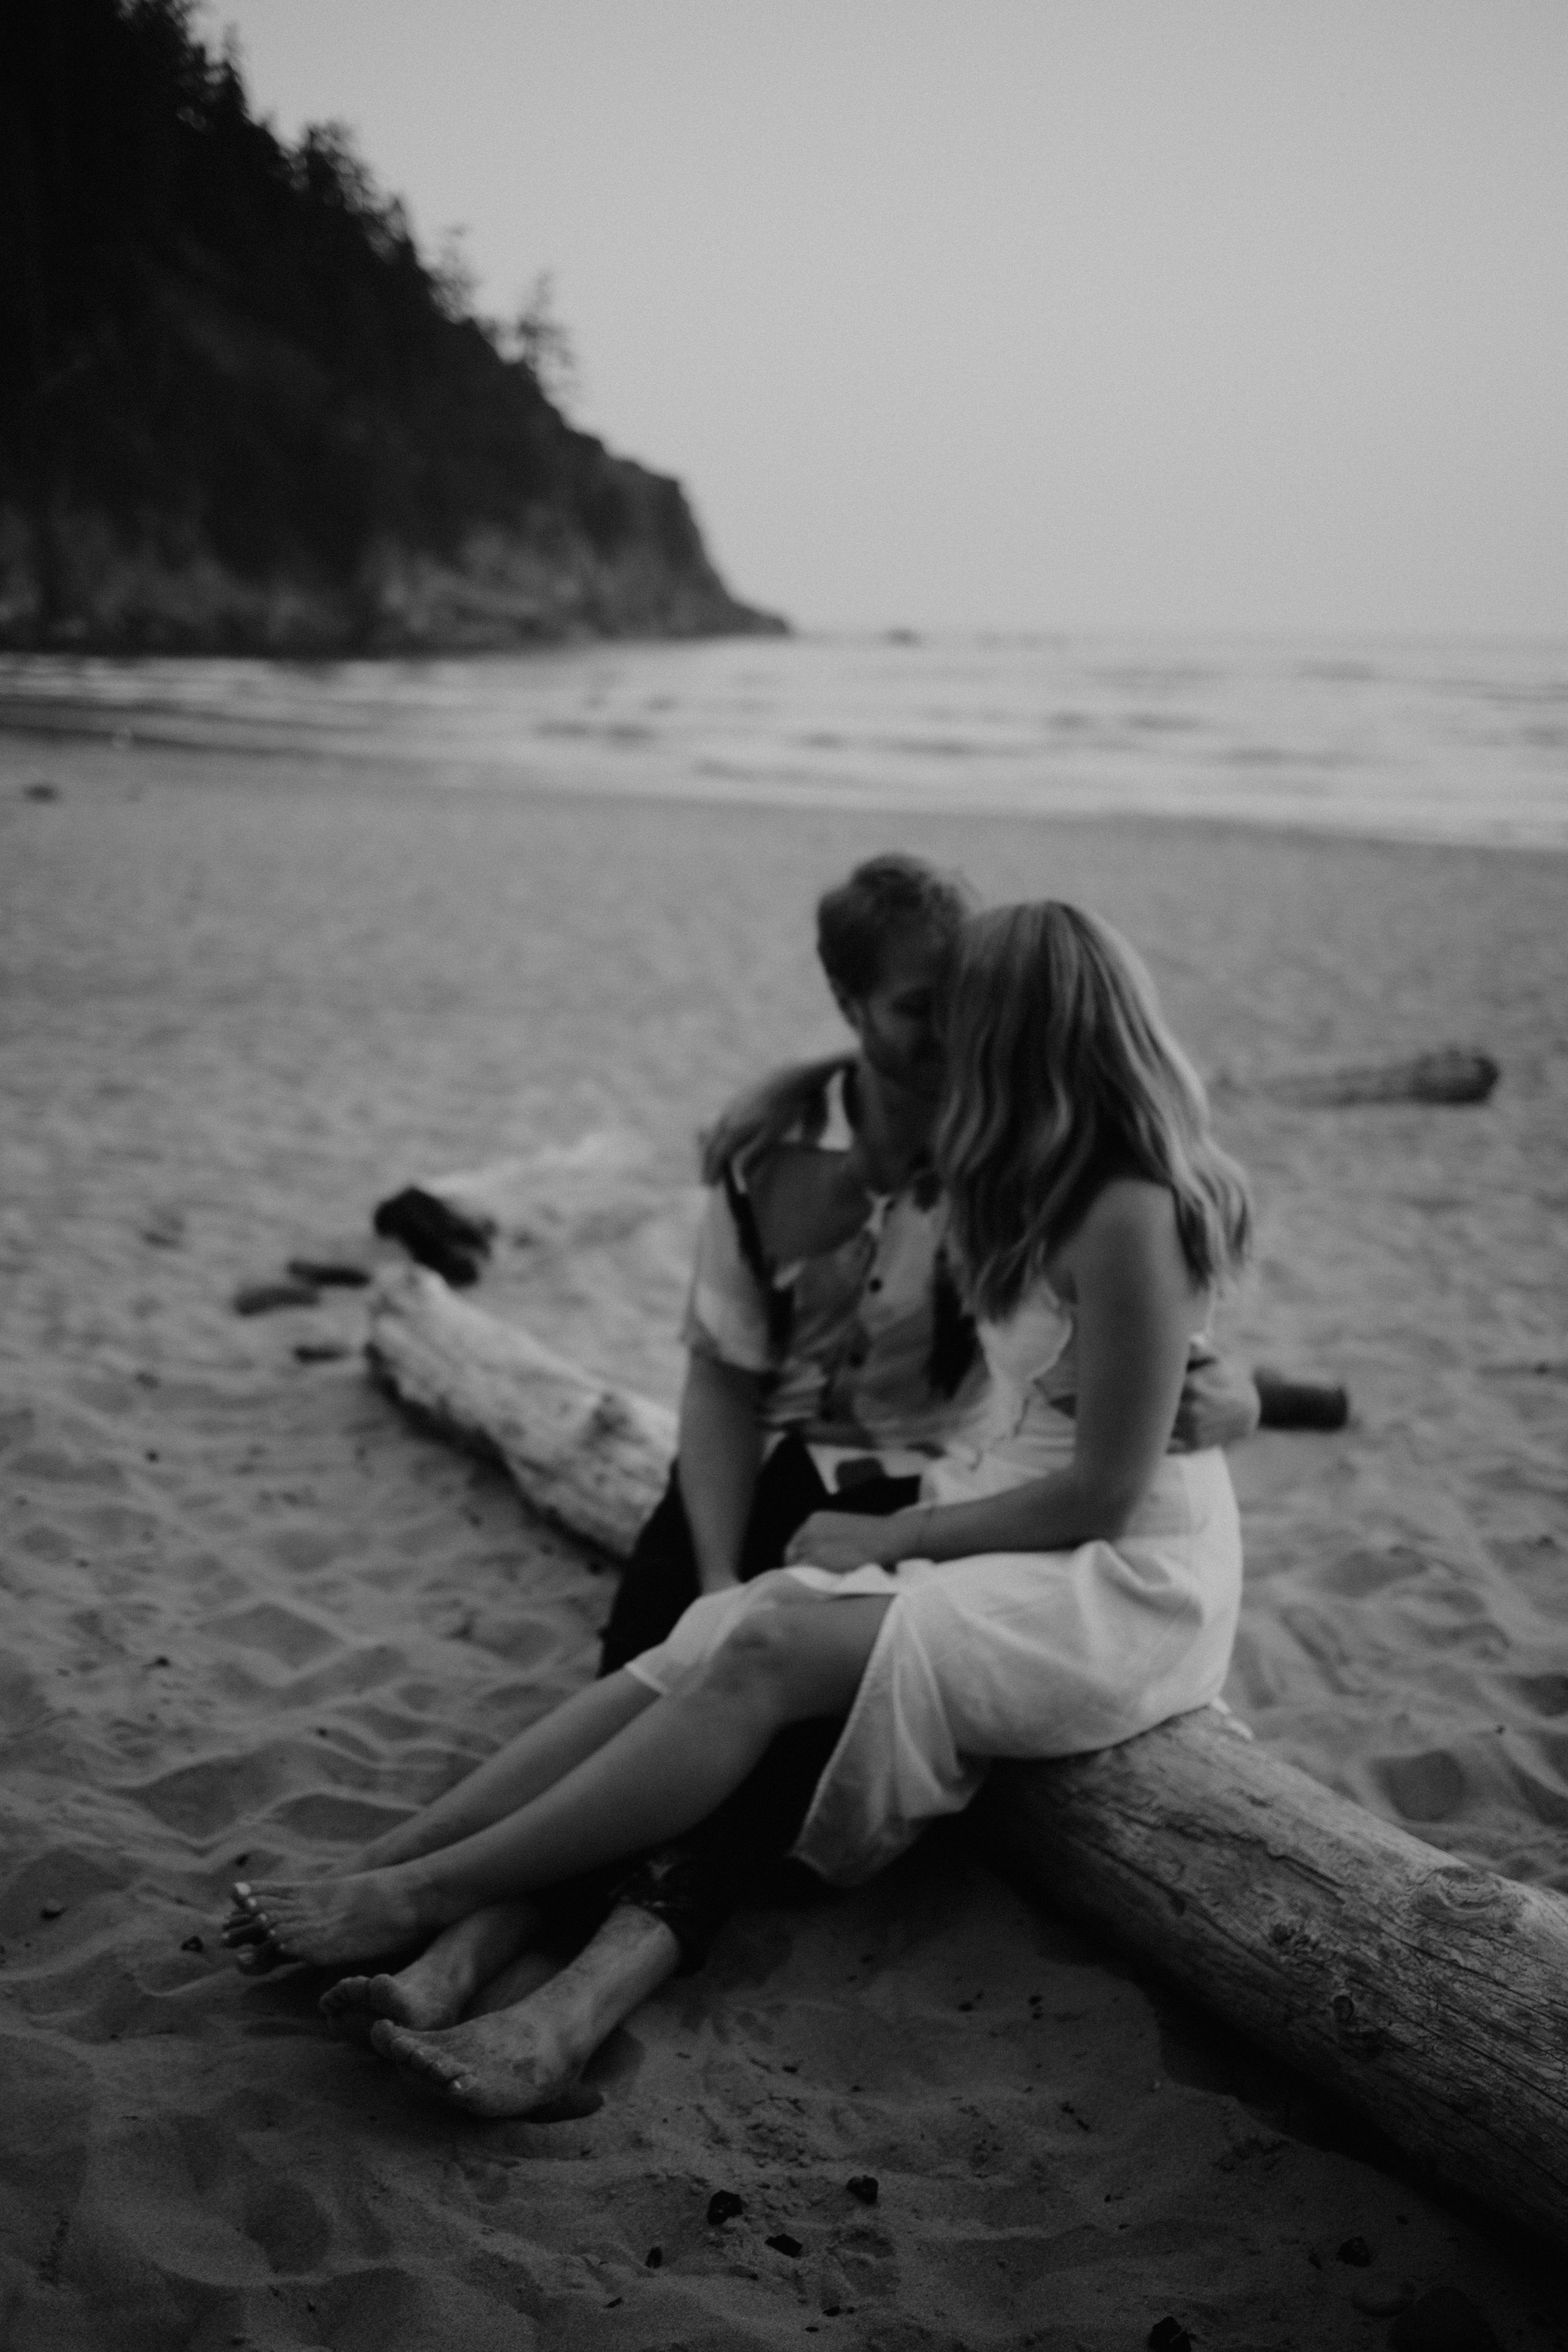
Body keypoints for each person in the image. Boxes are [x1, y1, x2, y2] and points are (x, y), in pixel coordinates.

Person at [224, 898, 1252, 2119]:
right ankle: (392, 1874)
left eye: (962, 1024)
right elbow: (738, 1365)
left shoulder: (1125, 1203)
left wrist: (900, 1532)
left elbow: (1108, 1480)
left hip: (1113, 1579)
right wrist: (733, 1554)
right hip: (989, 1517)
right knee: (707, 1635)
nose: (941, 1053)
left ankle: (441, 1917)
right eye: (925, 1019)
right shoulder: (984, 1167)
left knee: (761, 1645)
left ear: (1022, 1036)